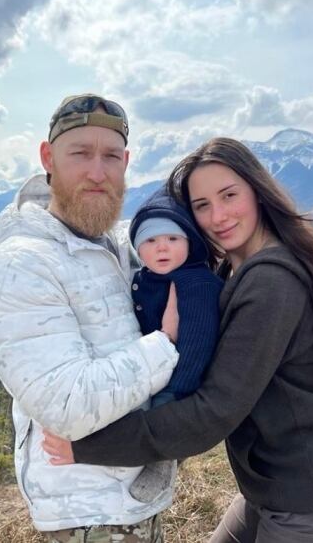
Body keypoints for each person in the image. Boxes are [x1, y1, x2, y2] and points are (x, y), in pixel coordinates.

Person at [43, 137, 313, 542]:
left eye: (229, 195)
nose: (218, 215)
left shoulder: (270, 282)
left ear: (257, 192)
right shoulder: (231, 274)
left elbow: (213, 412)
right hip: (269, 495)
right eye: (202, 206)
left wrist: (89, 445)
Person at [0, 94, 180, 542]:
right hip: (88, 521)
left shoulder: (113, 247)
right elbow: (67, 406)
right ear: (48, 158)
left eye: (110, 156)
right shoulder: (20, 266)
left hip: (132, 507)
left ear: (126, 162)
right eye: (80, 154)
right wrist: (166, 343)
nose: (97, 172)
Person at [127, 187, 223, 502]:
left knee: (160, 421)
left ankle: (163, 461)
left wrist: (180, 386)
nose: (162, 248)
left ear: (189, 242)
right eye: (150, 241)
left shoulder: (195, 283)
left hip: (180, 377)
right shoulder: (148, 276)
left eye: (172, 239)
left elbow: (198, 339)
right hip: (154, 367)